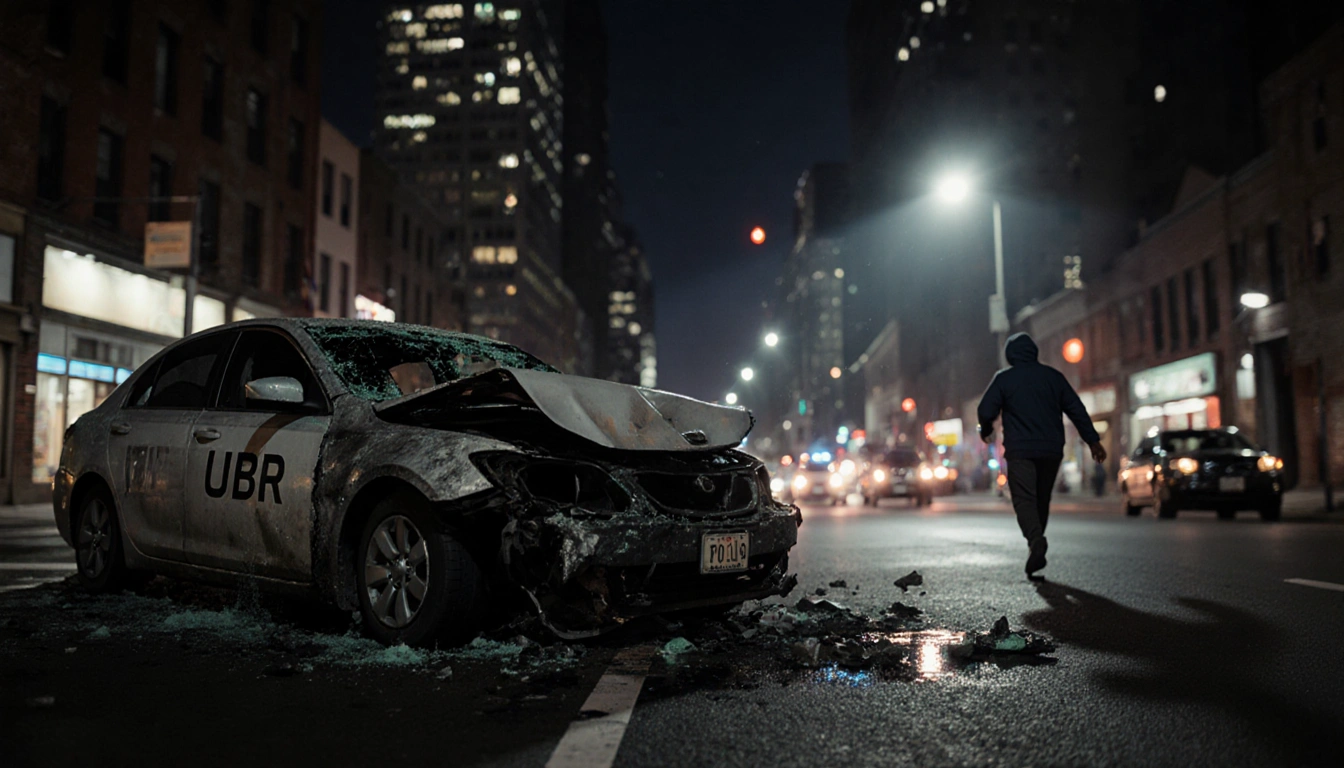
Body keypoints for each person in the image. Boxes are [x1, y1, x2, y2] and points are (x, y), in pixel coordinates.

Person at [977, 333, 1106, 578]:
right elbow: (1076, 409)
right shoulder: (1053, 377)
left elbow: (985, 409)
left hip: (1021, 451)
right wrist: (1093, 440)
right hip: (1051, 450)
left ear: (1010, 355)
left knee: (1024, 499)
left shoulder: (1005, 379)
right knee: (1041, 499)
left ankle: (1036, 541)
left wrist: (986, 429)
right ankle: (1036, 545)